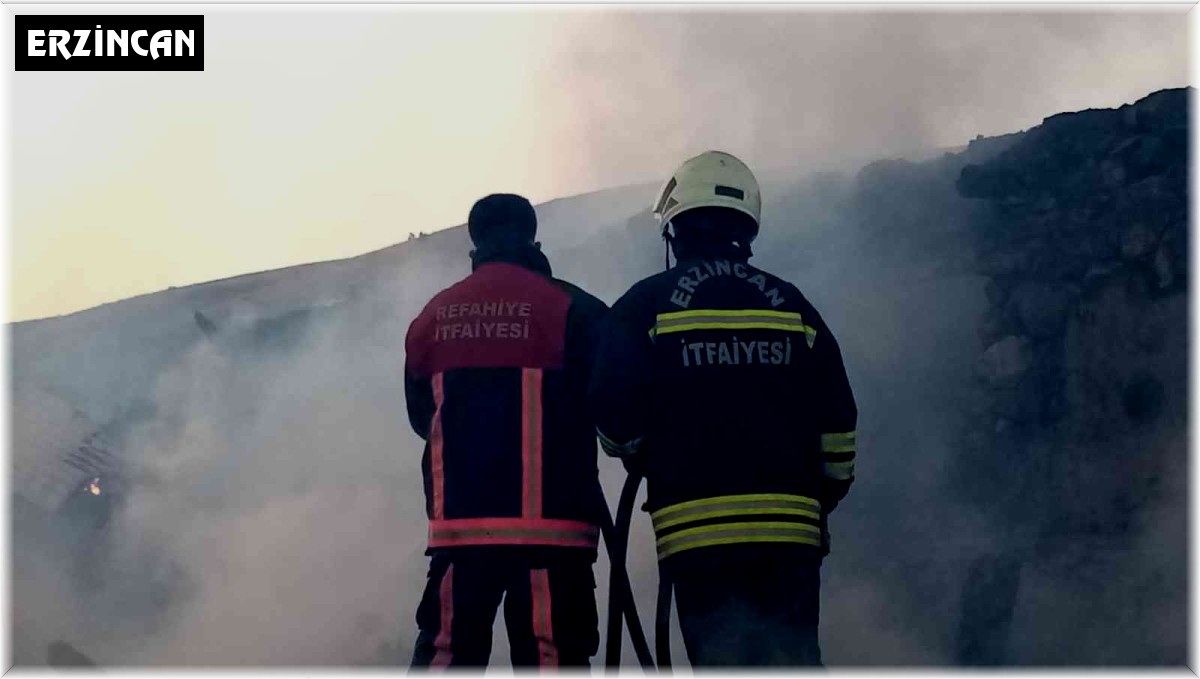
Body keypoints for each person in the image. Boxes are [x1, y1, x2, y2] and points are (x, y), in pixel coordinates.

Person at [590, 151, 857, 667]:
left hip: (696, 531)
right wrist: (821, 496)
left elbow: (613, 414)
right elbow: (839, 419)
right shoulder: (793, 304)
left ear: (674, 229)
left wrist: (637, 450)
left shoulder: (645, 304)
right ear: (747, 227)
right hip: (792, 533)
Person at [404, 194, 609, 669]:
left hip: (460, 533)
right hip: (554, 537)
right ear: (533, 237)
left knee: (447, 656)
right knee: (551, 658)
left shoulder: (433, 316)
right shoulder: (575, 309)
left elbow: (422, 418)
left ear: (474, 242)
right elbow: (612, 405)